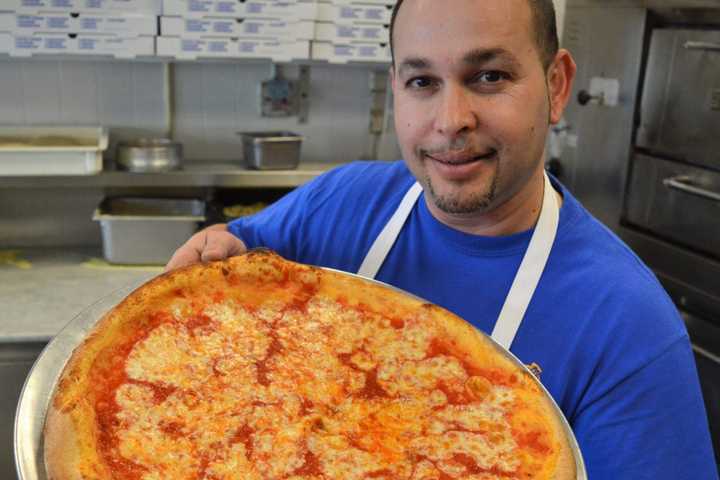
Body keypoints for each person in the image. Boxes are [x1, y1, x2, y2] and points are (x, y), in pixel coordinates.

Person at [166, 0, 719, 478]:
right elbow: (235, 252)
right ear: (397, 91)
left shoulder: (628, 325)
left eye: (489, 77)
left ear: (556, 87)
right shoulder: (341, 201)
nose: (451, 120)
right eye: (423, 82)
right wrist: (216, 247)